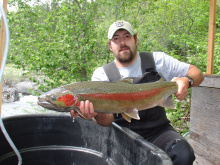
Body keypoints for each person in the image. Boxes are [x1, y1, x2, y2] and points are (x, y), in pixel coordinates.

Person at [70, 20, 204, 165]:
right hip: (123, 136)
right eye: (116, 39)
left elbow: (197, 73)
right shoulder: (102, 75)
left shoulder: (158, 60)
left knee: (183, 153)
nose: (122, 42)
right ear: (110, 46)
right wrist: (95, 113)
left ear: (136, 39)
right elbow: (107, 121)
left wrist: (187, 81)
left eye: (127, 36)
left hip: (158, 132)